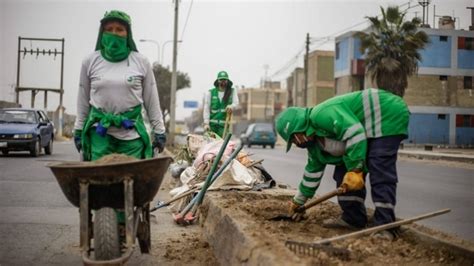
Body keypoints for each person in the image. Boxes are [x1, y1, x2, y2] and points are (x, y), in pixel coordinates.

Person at [275, 88, 409, 240]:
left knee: (379, 169)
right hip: (365, 128)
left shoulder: (321, 115)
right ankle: (353, 218)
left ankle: (386, 226)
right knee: (342, 172)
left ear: (298, 129)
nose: (296, 144)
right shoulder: (314, 146)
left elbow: (354, 133)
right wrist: (298, 201)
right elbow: (312, 173)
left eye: (294, 139)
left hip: (385, 113)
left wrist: (356, 169)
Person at [73, 10, 166, 162]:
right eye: (109, 29)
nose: (114, 34)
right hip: (100, 134)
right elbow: (83, 100)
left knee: (131, 179)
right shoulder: (90, 61)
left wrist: (159, 130)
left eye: (119, 30)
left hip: (131, 135)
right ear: (102, 33)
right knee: (99, 179)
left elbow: (151, 100)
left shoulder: (141, 62)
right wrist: (78, 129)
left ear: (128, 34)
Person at [203, 71, 239, 137]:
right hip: (212, 126)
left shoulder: (232, 92)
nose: (223, 81)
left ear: (227, 81)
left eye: (224, 80)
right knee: (210, 145)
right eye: (221, 80)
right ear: (218, 81)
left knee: (221, 145)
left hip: (223, 126)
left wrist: (231, 106)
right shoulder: (211, 92)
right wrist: (206, 123)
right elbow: (206, 108)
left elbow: (236, 103)